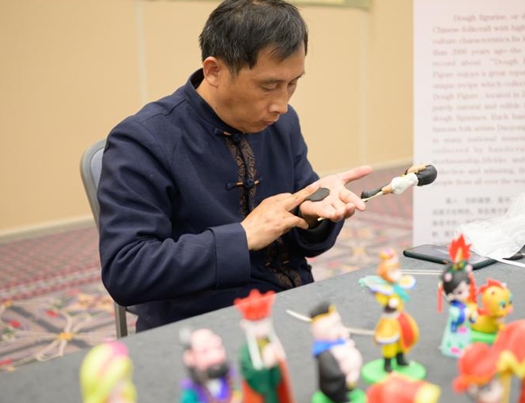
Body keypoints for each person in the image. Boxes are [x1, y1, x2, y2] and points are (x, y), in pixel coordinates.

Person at [97, 0, 371, 331]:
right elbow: (127, 271)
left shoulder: (282, 124)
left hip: (290, 305)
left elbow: (301, 226)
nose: (282, 104)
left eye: (293, 83)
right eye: (269, 86)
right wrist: (242, 236)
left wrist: (312, 215)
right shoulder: (144, 140)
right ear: (214, 70)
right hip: (202, 326)